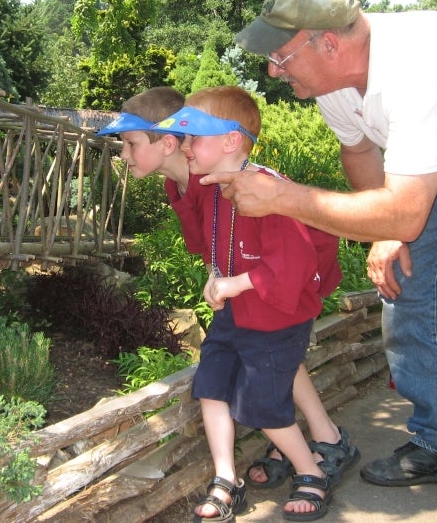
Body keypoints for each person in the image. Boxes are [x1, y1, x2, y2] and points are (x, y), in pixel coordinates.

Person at [205, 0, 437, 523]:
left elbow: (404, 206)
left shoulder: (418, 64)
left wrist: (286, 197)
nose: (273, 71)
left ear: (327, 42)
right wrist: (383, 228)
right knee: (407, 291)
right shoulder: (331, 85)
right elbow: (361, 153)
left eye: (281, 56)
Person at [98, 87, 360, 501]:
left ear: (168, 142)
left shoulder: (224, 179)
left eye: (130, 144)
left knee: (274, 353)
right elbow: (209, 244)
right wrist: (218, 279)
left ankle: (321, 443)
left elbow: (289, 251)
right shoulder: (184, 184)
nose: (124, 155)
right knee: (267, 355)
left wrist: (238, 283)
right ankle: (307, 441)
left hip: (292, 274)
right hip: (251, 284)